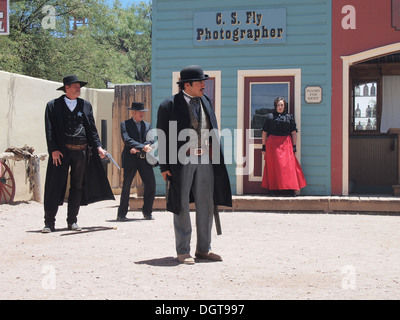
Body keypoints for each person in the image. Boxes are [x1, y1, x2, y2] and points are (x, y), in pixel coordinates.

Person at [156, 65, 232, 265]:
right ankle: (183, 251)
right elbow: (162, 137)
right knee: (181, 203)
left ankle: (204, 250)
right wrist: (164, 166)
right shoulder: (168, 105)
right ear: (186, 85)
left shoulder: (206, 101)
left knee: (207, 204)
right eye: (200, 82)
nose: (204, 86)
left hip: (206, 158)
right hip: (182, 160)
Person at [42, 75, 114, 233]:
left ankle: (72, 221)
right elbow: (49, 130)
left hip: (81, 152)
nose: (78, 89)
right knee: (55, 185)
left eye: (79, 86)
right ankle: (49, 222)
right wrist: (53, 149)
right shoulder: (53, 105)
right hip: (61, 152)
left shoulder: (85, 105)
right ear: (66, 88)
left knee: (77, 186)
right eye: (75, 86)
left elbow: (92, 130)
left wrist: (99, 147)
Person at [117, 102, 156, 221]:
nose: (142, 114)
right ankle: (121, 214)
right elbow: (127, 139)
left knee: (151, 184)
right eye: (140, 112)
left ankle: (147, 212)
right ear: (133, 112)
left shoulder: (148, 125)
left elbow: (150, 140)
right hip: (130, 159)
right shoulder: (125, 124)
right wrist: (142, 147)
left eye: (143, 112)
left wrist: (139, 148)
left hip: (144, 159)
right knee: (126, 186)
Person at [261, 97, 306, 196]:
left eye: (281, 105)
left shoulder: (290, 117)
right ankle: (272, 189)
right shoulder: (269, 117)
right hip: (272, 144)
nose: (280, 107)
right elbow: (264, 132)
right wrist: (263, 146)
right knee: (273, 167)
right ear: (275, 106)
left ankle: (289, 189)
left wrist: (294, 146)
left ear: (284, 106)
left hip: (286, 143)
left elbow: (293, 133)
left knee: (288, 167)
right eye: (278, 105)